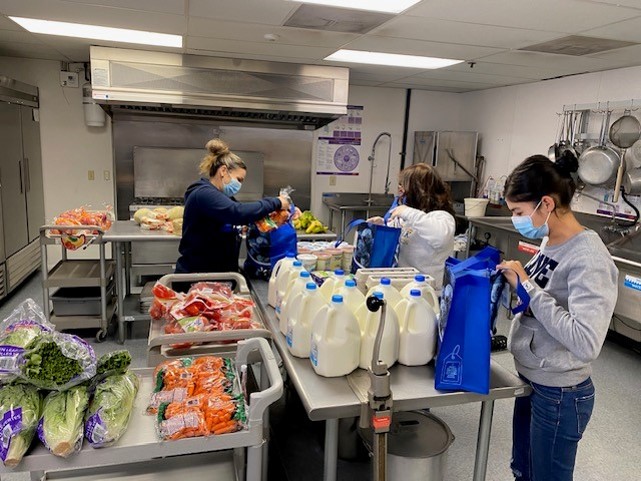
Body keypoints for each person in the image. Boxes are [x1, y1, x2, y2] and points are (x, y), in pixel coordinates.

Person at [498, 153, 618, 481]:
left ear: (546, 204)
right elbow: (542, 302)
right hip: (534, 379)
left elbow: (586, 342)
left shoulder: (588, 257)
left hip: (561, 394)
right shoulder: (551, 242)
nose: (516, 221)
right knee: (523, 470)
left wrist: (527, 287)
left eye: (519, 212)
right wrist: (514, 286)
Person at [176, 139, 290, 274]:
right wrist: (275, 202)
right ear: (223, 171)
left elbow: (238, 215)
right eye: (239, 179)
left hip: (216, 278)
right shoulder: (203, 193)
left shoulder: (223, 196)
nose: (239, 185)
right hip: (197, 279)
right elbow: (237, 212)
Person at [370, 163, 455, 290]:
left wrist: (407, 212)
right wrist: (382, 224)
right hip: (404, 287)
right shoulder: (410, 216)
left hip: (428, 293)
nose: (400, 191)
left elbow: (440, 237)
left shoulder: (441, 217)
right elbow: (400, 233)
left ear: (418, 190)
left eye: (403, 186)